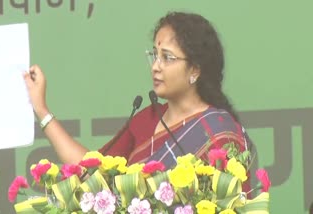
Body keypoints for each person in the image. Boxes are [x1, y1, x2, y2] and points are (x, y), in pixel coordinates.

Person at [24, 11, 252, 169]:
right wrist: (41, 109)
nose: (155, 66)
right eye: (154, 55)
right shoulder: (147, 119)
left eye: (167, 58)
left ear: (194, 70)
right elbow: (91, 171)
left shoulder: (218, 133)